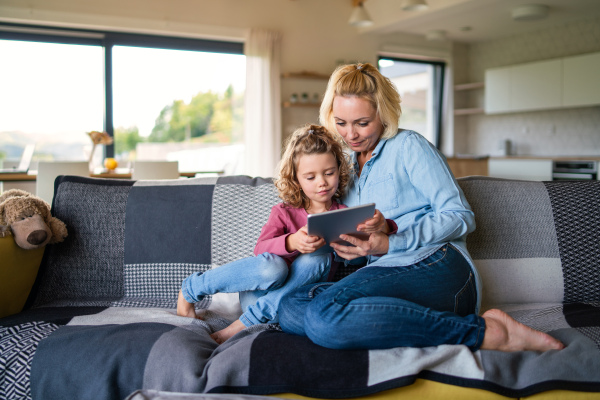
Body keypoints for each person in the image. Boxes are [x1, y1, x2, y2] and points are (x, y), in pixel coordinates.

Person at [278, 63, 565, 353]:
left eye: (362, 123)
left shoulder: (408, 146)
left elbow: (460, 216)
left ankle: (487, 334)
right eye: (341, 122)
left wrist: (391, 242)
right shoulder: (345, 168)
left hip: (437, 266)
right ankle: (383, 320)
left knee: (323, 316)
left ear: (383, 114)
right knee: (290, 307)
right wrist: (348, 248)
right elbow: (366, 249)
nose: (350, 134)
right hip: (385, 275)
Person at [177, 124, 364, 344]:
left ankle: (241, 325)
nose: (322, 182)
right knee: (274, 267)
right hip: (258, 295)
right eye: (310, 177)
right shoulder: (284, 212)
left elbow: (360, 258)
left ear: (339, 170)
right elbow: (260, 249)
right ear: (296, 179)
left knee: (318, 258)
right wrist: (292, 242)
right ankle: (191, 288)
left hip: (290, 304)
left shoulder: (343, 215)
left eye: (329, 173)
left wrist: (345, 247)